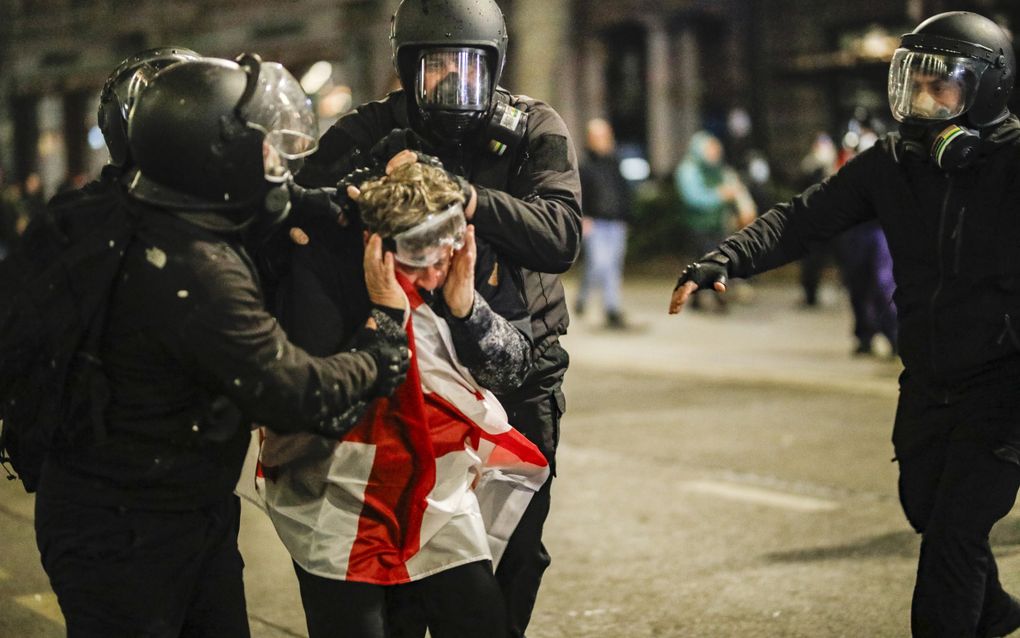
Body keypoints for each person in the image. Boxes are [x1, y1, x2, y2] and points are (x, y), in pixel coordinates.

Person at [32, 55, 410, 637]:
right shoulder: (195, 270)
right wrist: (382, 344)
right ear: (213, 157)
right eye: (261, 151)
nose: (273, 166)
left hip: (173, 504)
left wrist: (323, 200)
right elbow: (292, 392)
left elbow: (258, 214)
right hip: (124, 532)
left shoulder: (126, 208)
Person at [670, 11, 1020, 637]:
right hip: (928, 378)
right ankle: (995, 613)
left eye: (941, 86)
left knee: (952, 536)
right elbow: (803, 219)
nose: (922, 99)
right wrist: (724, 258)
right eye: (916, 83)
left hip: (1003, 384)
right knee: (925, 509)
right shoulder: (894, 163)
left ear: (985, 89)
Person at [289, 1, 582, 634]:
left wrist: (465, 197)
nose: (453, 80)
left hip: (514, 370)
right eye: (435, 66)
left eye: (469, 65)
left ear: (495, 65)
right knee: (407, 569)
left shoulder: (531, 126)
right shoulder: (368, 131)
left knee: (513, 555)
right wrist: (363, 188)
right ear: (405, 68)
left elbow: (560, 236)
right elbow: (300, 214)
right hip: (408, 373)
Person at [260, 160, 548, 638]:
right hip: (337, 495)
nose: (434, 273)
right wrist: (386, 318)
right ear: (377, 243)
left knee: (481, 620)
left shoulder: (462, 267)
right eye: (419, 259)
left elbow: (513, 370)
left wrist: (467, 309)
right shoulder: (327, 270)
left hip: (438, 491)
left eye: (444, 255)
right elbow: (316, 406)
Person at [674, 130, 755, 310]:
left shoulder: (720, 170)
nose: (715, 153)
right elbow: (693, 197)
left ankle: (716, 297)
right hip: (697, 224)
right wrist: (719, 195)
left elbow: (737, 192)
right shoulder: (689, 169)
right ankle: (703, 297)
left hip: (718, 223)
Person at [575, 118, 632, 329]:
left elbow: (623, 192)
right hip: (595, 222)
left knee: (612, 267)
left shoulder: (615, 163)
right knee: (599, 264)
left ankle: (612, 308)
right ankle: (585, 297)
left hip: (615, 222)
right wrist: (583, 217)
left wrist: (626, 217)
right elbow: (579, 194)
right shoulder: (584, 166)